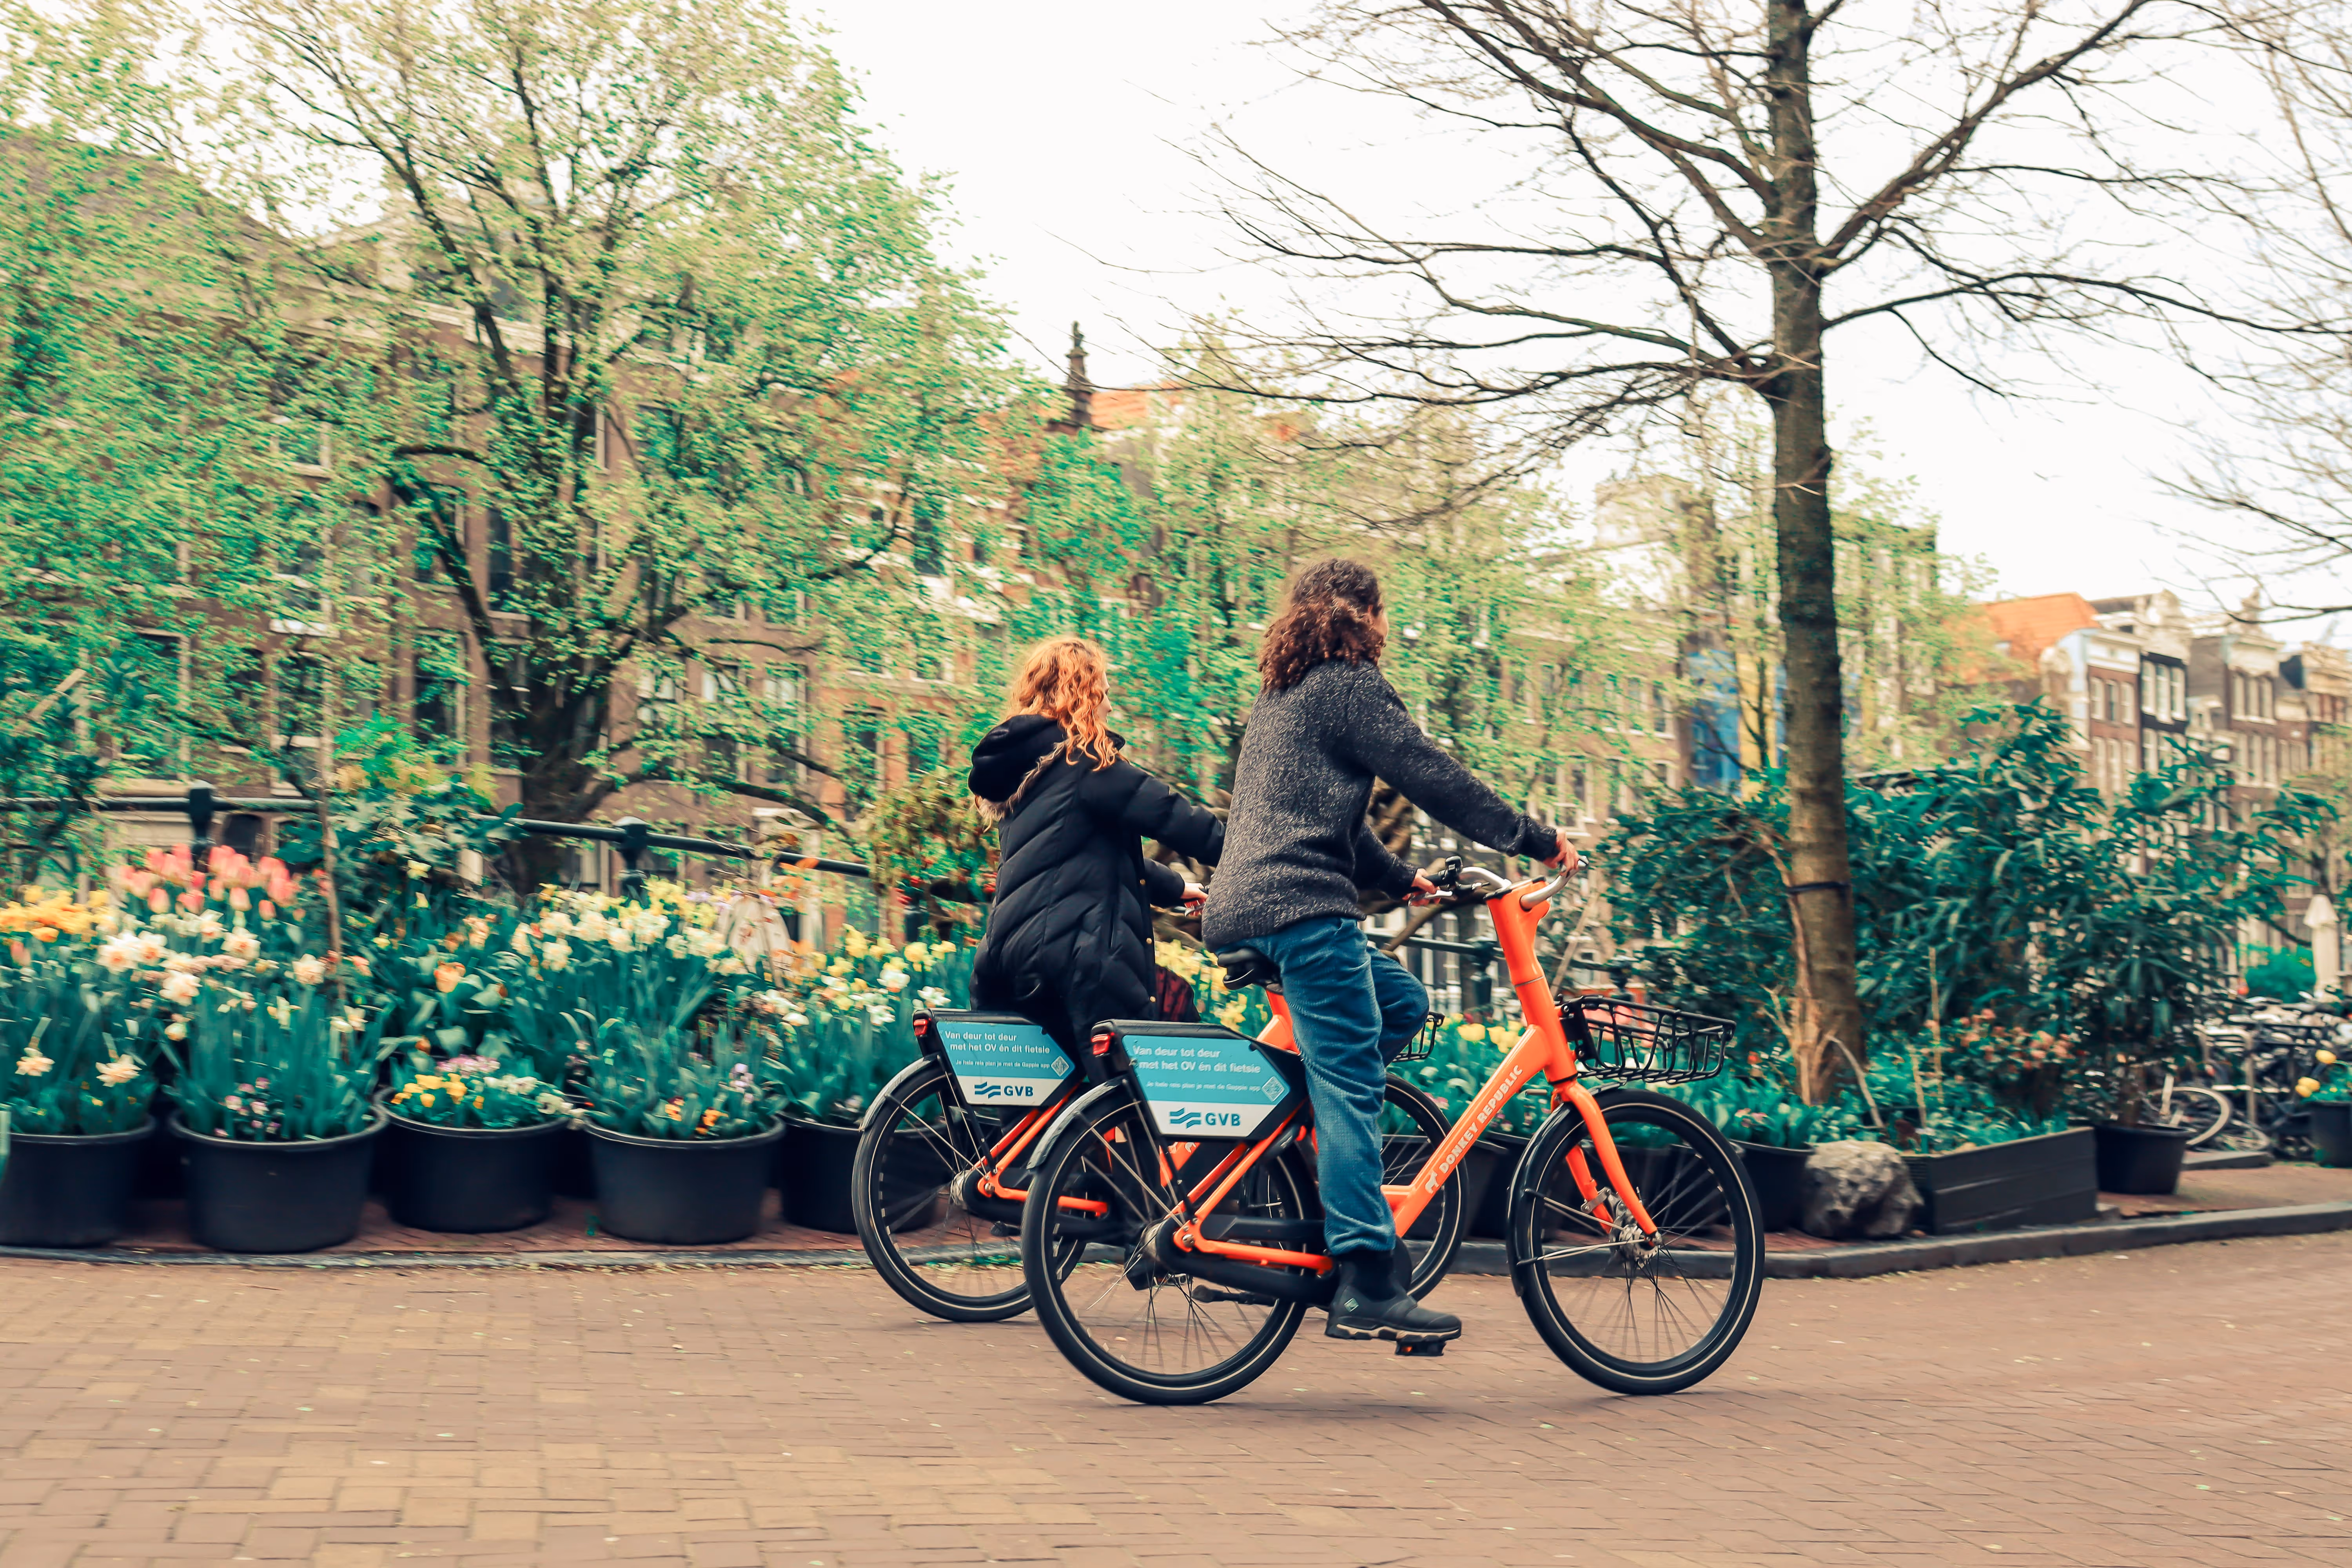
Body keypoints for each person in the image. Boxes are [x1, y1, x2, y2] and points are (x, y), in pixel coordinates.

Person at [1202, 559, 1575, 1346]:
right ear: (1367, 616)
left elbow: (1323, 819)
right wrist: (1532, 837)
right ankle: (1368, 1278)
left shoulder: (1282, 696)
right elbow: (1432, 774)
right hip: (1303, 911)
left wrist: (1400, 878)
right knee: (1351, 1088)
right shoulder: (1349, 684)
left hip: (1246, 906)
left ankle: (1273, 1153)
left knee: (1400, 1005)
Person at [967, 636, 1226, 1053]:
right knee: (1172, 1026)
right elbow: (1177, 818)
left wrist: (1177, 887)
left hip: (1007, 957)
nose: (1109, 707)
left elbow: (1080, 854)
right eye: (1104, 693)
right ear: (1081, 696)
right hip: (1074, 957)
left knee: (1057, 1105)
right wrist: (1253, 856)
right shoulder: (1087, 762)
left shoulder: (1023, 773)